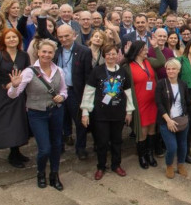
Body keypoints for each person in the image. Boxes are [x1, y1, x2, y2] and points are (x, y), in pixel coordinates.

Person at [7, 39, 67, 190]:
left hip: (56, 111)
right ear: (38, 53)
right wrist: (14, 86)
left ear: (54, 54)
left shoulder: (59, 70)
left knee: (56, 145)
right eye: (44, 52)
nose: (46, 55)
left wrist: (62, 97)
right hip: (37, 113)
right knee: (45, 148)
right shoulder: (28, 72)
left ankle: (54, 174)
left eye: (50, 52)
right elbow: (13, 95)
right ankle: (41, 173)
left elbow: (64, 90)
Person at [81, 43, 134, 180]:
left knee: (117, 141)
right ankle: (101, 166)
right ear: (104, 56)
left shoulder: (122, 72)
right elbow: (89, 92)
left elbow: (128, 92)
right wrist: (85, 112)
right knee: (102, 142)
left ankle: (116, 165)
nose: (111, 56)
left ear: (118, 55)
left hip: (118, 113)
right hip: (101, 114)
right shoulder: (97, 71)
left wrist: (129, 111)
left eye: (114, 54)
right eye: (108, 54)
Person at [0, 28, 31, 168]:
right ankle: (12, 153)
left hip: (19, 92)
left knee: (18, 122)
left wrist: (18, 83)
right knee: (6, 122)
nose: (11, 40)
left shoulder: (24, 55)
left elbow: (27, 73)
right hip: (1, 92)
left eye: (14, 37)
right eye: (8, 38)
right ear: (3, 40)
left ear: (19, 39)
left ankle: (16, 151)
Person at [156, 58, 191, 178]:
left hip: (182, 120)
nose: (171, 71)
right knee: (172, 147)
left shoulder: (183, 84)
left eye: (173, 69)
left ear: (178, 70)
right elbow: (159, 104)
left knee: (183, 145)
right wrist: (168, 120)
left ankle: (181, 164)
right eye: (168, 69)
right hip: (166, 121)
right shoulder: (161, 84)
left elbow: (185, 102)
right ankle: (169, 165)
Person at [54, 24, 93, 161]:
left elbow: (88, 75)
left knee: (80, 121)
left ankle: (80, 148)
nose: (64, 39)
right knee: (59, 120)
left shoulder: (84, 51)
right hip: (58, 92)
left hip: (75, 91)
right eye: (60, 37)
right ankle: (59, 145)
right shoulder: (56, 51)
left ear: (74, 35)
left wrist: (86, 96)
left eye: (66, 36)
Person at [127, 40, 159, 169]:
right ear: (138, 50)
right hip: (140, 103)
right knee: (143, 131)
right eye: (145, 48)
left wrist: (156, 47)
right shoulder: (128, 66)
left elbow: (161, 62)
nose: (147, 50)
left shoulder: (148, 62)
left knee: (152, 129)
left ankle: (150, 154)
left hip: (152, 102)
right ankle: (142, 155)